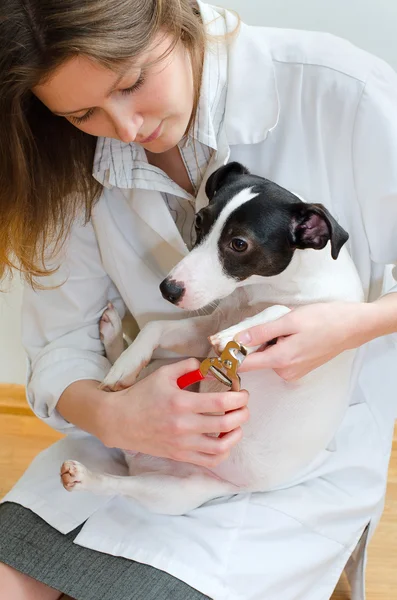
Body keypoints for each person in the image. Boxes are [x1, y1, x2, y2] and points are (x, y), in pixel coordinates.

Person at [0, 1, 396, 599]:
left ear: (171, 16)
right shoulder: (62, 158)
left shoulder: (343, 92)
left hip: (286, 475)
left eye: (133, 82)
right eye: (84, 112)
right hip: (124, 448)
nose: (128, 129)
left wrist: (353, 325)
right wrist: (115, 415)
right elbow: (61, 345)